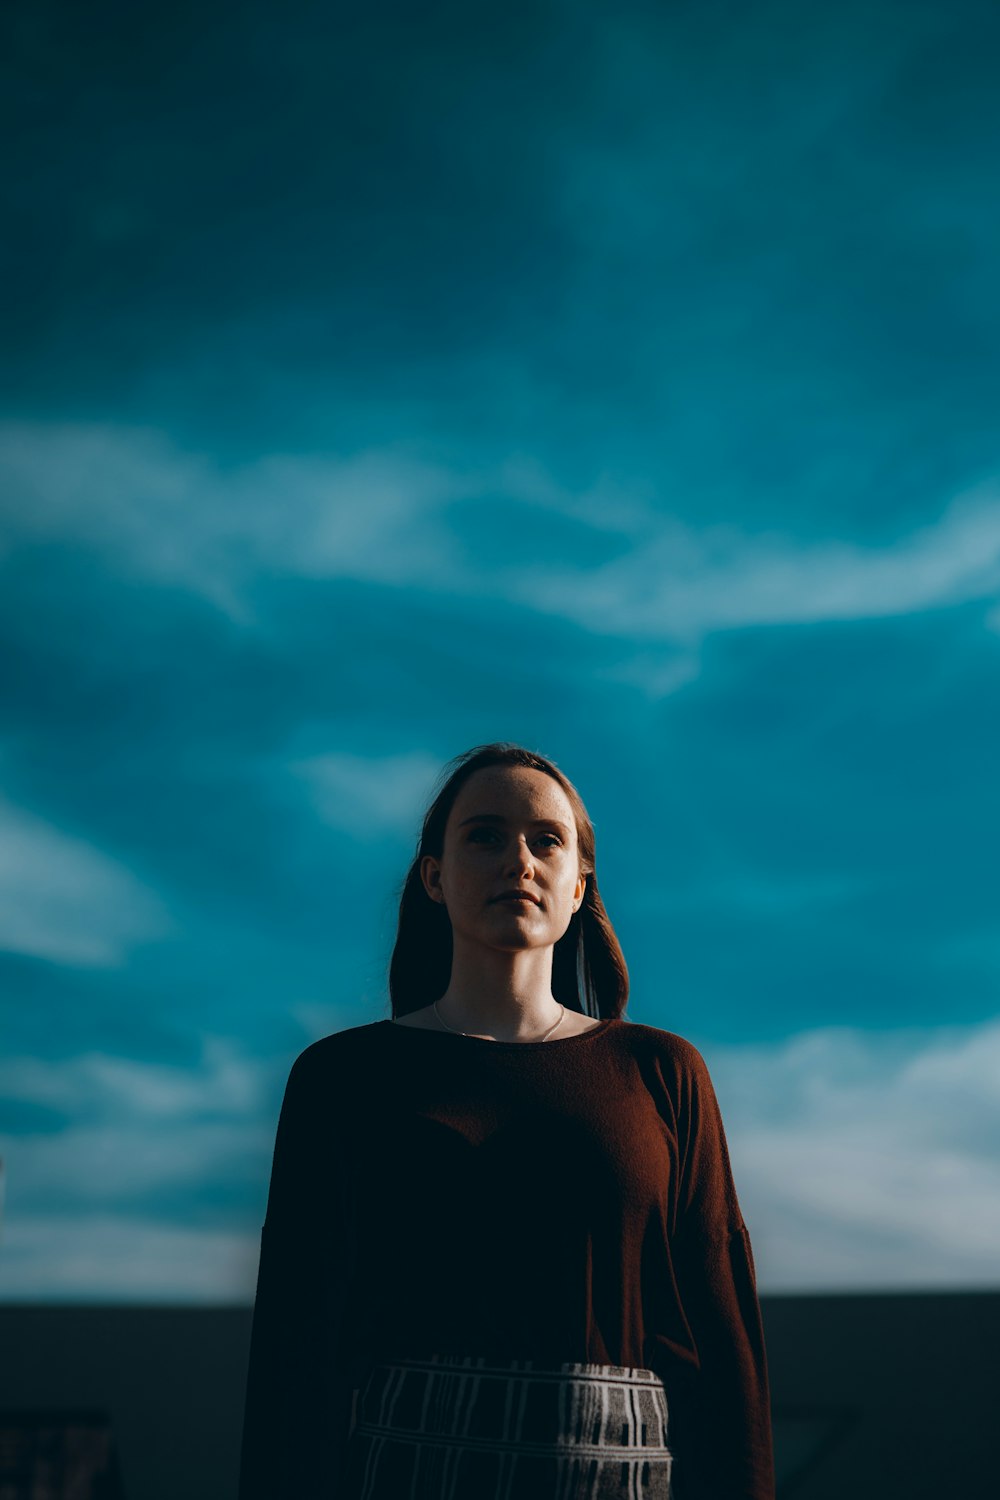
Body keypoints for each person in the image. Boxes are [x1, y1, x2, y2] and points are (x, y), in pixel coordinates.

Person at [237, 741, 775, 1500]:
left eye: (545, 839)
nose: (517, 860)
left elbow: (722, 1358)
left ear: (580, 878)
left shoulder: (663, 1075)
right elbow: (295, 1361)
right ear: (434, 876)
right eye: (484, 835)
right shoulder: (341, 1079)